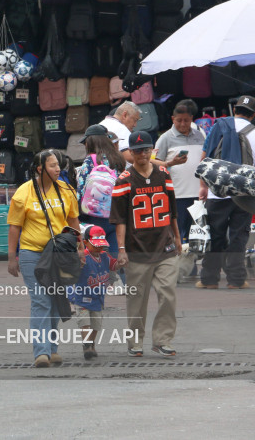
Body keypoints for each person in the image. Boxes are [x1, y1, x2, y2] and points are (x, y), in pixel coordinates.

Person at [7, 149, 83, 368]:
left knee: (55, 299)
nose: (58, 169)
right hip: (31, 253)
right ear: (40, 168)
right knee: (41, 300)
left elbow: (73, 221)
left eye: (59, 165)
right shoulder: (24, 192)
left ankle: (52, 349)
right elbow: (14, 228)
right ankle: (41, 353)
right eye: (52, 165)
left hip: (58, 254)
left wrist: (80, 249)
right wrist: (12, 257)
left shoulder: (66, 190)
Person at [111, 131, 181, 358]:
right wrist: (121, 249)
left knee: (168, 293)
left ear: (152, 151)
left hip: (165, 246)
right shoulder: (123, 181)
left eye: (146, 150)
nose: (142, 154)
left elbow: (172, 210)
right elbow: (119, 219)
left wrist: (177, 237)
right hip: (136, 249)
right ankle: (135, 341)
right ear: (130, 153)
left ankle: (162, 339)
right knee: (137, 299)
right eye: (138, 150)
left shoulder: (163, 173)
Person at [198, 95, 255, 290]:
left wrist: (203, 186)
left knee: (215, 235)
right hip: (245, 194)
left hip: (216, 192)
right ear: (253, 114)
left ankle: (209, 279)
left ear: (234, 110)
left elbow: (205, 159)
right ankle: (236, 280)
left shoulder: (217, 127)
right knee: (238, 236)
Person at [153, 99, 206, 245]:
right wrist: (170, 163)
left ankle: (192, 265)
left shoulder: (200, 135)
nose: (182, 124)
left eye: (186, 121)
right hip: (177, 195)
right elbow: (154, 163)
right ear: (172, 119)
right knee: (178, 235)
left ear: (192, 120)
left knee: (196, 235)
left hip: (198, 194)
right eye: (179, 121)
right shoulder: (164, 139)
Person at [68, 225, 120, 360]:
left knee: (96, 324)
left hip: (98, 298)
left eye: (101, 246)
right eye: (95, 246)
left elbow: (114, 265)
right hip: (82, 297)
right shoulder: (83, 256)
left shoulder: (104, 256)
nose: (99, 249)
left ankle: (92, 344)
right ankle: (87, 346)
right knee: (85, 322)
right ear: (85, 243)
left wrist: (122, 262)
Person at [76, 124, 126, 254]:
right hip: (116, 214)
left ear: (90, 142)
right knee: (115, 255)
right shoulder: (118, 159)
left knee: (97, 255)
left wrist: (78, 213)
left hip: (94, 215)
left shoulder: (90, 161)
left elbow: (82, 188)